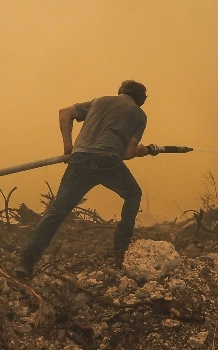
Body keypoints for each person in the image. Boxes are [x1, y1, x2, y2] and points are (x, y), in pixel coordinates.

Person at [14, 80, 155, 278]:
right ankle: (120, 251)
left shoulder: (99, 102)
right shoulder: (139, 115)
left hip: (79, 160)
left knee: (57, 211)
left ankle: (26, 262)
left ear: (120, 91)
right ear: (141, 101)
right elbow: (128, 153)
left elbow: (65, 112)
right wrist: (144, 150)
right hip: (108, 163)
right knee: (133, 194)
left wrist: (68, 147)